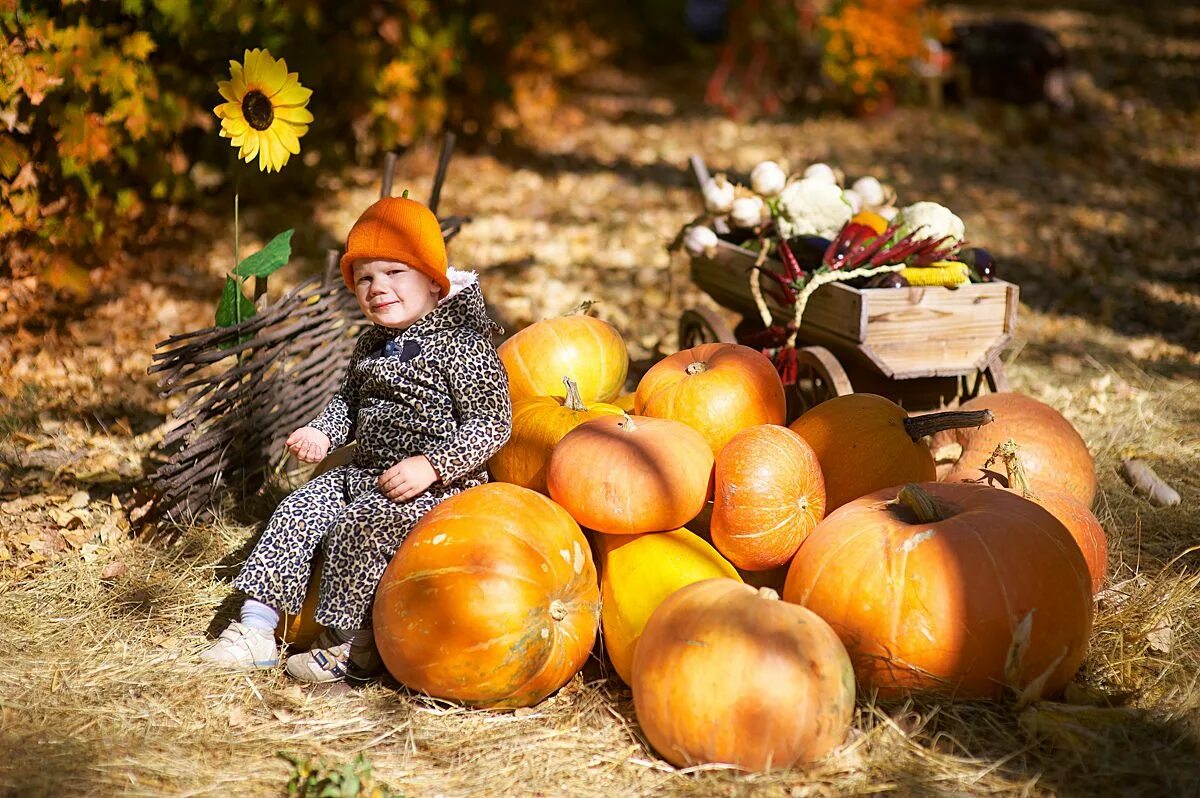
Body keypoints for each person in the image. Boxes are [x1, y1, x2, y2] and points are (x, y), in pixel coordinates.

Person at [201, 195, 512, 683]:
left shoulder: (465, 344)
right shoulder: (370, 343)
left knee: (359, 527)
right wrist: (322, 433)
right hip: (363, 470)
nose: (377, 287)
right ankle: (256, 629)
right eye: (364, 277)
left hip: (435, 486)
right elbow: (347, 402)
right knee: (296, 509)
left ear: (434, 281)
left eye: (394, 273)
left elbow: (491, 422)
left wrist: (432, 465)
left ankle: (350, 644)